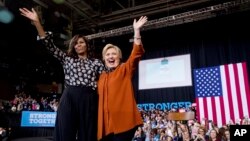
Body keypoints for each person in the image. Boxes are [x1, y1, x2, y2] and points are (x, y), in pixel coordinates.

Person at [19, 8, 104, 141]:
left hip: (89, 98)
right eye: (75, 43)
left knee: (88, 134)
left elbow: (107, 79)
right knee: (64, 131)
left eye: (81, 42)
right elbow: (50, 45)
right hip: (69, 97)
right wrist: (37, 22)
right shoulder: (67, 59)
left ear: (87, 45)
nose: (78, 45)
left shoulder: (97, 63)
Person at [97, 16, 148, 141]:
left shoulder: (125, 69)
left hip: (124, 122)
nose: (111, 56)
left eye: (114, 54)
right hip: (105, 124)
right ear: (104, 59)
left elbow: (136, 54)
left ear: (119, 57)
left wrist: (136, 32)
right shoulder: (101, 76)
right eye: (108, 54)